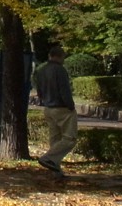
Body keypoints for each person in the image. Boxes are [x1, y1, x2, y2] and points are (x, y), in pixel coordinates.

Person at [35, 46, 77, 177]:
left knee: (55, 139)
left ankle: (55, 170)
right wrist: (71, 106)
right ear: (60, 56)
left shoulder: (41, 71)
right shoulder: (60, 70)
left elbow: (39, 90)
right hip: (62, 108)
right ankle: (48, 158)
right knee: (70, 138)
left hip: (48, 108)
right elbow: (64, 91)